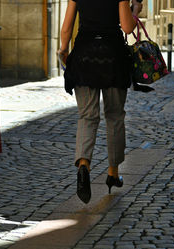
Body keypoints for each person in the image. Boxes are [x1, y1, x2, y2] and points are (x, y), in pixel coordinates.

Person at [58, 0, 143, 203]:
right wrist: (136, 10)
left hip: (84, 56)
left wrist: (63, 49)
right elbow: (127, 27)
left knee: (87, 115)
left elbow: (67, 28)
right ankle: (113, 172)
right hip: (112, 57)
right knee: (114, 116)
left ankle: (84, 165)